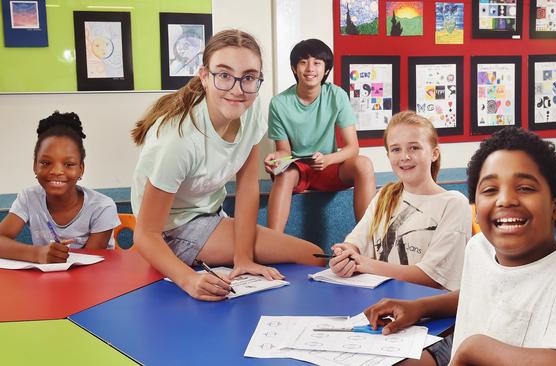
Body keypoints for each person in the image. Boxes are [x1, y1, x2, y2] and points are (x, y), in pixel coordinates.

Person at [363, 127, 556, 366]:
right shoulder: (479, 248)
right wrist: (420, 307)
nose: (506, 199)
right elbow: (484, 293)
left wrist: (475, 348)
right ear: (475, 210)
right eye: (490, 189)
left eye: (525, 187)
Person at [130, 29, 325, 302]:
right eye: (224, 75)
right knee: (311, 256)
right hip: (172, 230)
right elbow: (146, 234)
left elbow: (247, 185)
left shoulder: (251, 107)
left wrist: (243, 258)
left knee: (313, 256)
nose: (237, 89)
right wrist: (188, 279)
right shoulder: (178, 139)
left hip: (212, 215)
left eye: (248, 77)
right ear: (204, 77)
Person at [328, 111, 471, 290]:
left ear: (434, 154)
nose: (404, 156)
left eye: (414, 147)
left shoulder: (453, 204)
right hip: (382, 303)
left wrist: (364, 264)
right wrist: (344, 255)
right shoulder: (384, 196)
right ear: (388, 155)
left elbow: (432, 277)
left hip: (428, 310)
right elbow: (356, 243)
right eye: (396, 149)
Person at [263, 38, 376, 232]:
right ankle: (272, 241)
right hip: (298, 170)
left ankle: (368, 239)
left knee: (364, 163)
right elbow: (284, 151)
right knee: (283, 171)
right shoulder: (279, 103)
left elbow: (352, 148)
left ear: (326, 70)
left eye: (317, 62)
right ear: (294, 68)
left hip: (329, 167)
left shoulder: (337, 95)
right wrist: (275, 159)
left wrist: (328, 159)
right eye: (303, 62)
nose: (310, 68)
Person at [0, 111, 120, 263]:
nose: (56, 171)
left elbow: (88, 263)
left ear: (81, 169)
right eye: (45, 163)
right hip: (47, 282)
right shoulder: (29, 197)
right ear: (35, 166)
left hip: (94, 283)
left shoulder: (102, 207)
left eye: (69, 164)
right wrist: (37, 254)